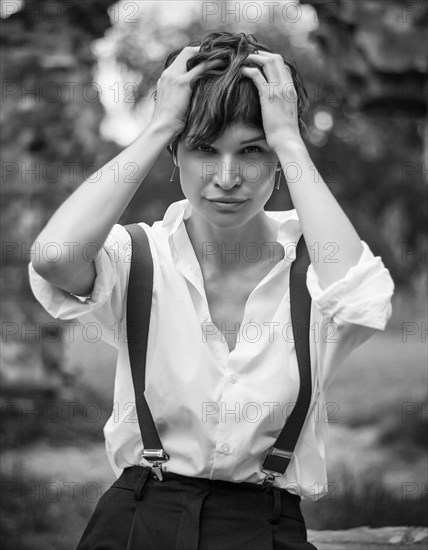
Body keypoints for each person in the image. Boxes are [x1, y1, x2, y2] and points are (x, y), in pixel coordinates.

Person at [28, 31, 394, 550]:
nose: (227, 177)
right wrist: (160, 125)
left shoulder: (316, 271)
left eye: (252, 151)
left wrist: (290, 139)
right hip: (137, 519)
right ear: (175, 155)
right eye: (203, 149)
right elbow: (55, 257)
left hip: (265, 527)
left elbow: (363, 301)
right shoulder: (138, 258)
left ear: (277, 161)